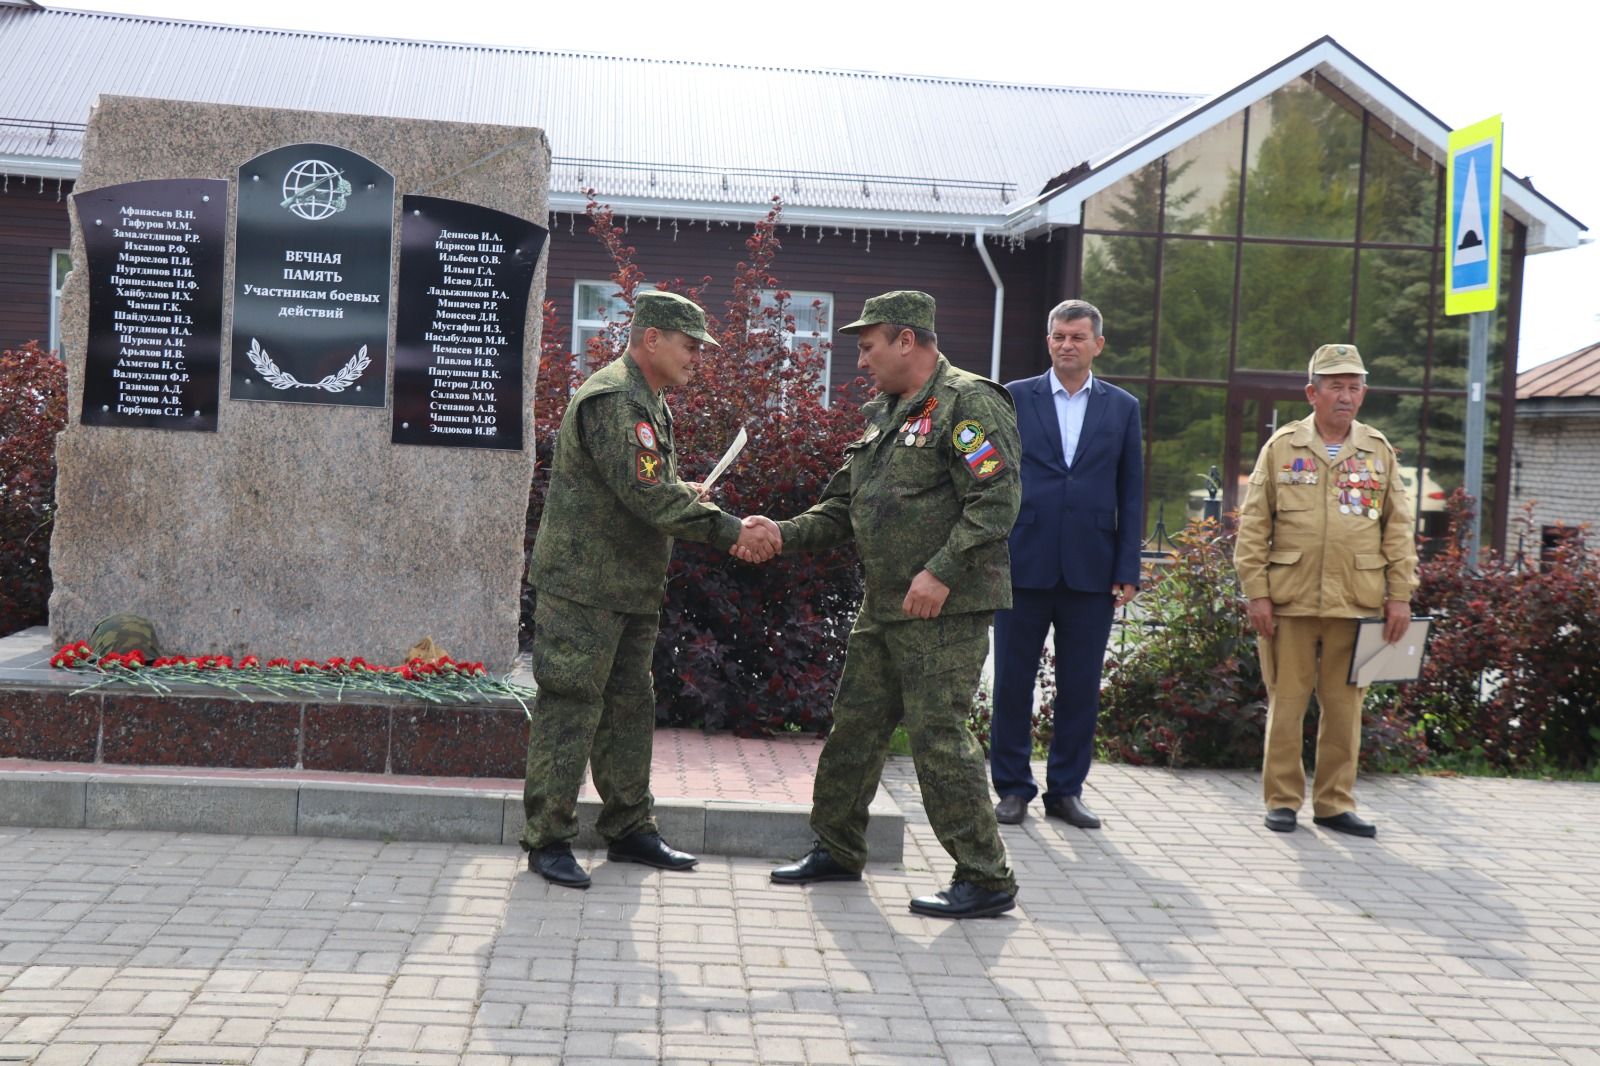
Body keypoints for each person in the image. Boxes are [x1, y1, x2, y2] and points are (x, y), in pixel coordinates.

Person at [757, 290, 1021, 919]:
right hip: (885, 604)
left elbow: (997, 501)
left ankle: (985, 876)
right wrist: (778, 533)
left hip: (942, 608)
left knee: (937, 736)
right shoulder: (886, 412)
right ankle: (838, 847)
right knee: (856, 725)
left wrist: (941, 571)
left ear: (908, 340)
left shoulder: (970, 402)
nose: (860, 361)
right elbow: (843, 509)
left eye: (868, 345)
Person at [521, 290, 781, 888]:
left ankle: (630, 827)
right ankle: (547, 839)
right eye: (690, 347)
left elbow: (638, 485)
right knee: (570, 706)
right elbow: (643, 495)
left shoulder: (646, 398)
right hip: (585, 587)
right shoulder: (616, 398)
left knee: (628, 708)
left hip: (625, 585)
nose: (697, 358)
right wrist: (730, 530)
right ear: (652, 339)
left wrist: (679, 489)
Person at [1233, 343, 1419, 837]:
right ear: (1311, 392)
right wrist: (1257, 593)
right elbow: (1254, 527)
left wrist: (1399, 595)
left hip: (1356, 602)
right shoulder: (1282, 447)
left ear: (1364, 393)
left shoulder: (1378, 450)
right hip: (1289, 600)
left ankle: (1335, 803)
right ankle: (1282, 801)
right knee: (1287, 704)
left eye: (1354, 386)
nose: (1346, 395)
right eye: (1335, 386)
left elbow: (1398, 529)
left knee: (1344, 708)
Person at [989, 300, 1143, 829]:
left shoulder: (1122, 407)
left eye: (1077, 337)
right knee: (1012, 683)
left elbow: (1132, 490)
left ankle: (1066, 792)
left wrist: (1128, 567)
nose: (1066, 345)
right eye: (1058, 336)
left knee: (1080, 687)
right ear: (1048, 341)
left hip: (1091, 569)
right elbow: (988, 468)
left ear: (1098, 344)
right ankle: (1012, 788)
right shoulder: (1014, 397)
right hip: (1022, 562)